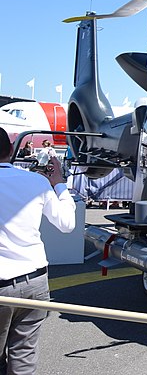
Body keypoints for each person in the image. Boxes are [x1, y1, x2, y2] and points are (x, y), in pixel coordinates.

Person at [0, 127, 76, 374]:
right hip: (35, 282)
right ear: (11, 150)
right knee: (24, 357)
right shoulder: (37, 182)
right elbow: (66, 224)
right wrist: (59, 185)